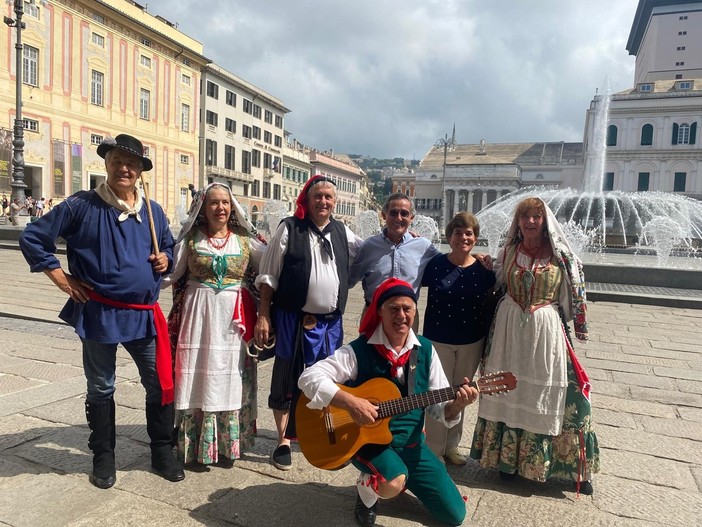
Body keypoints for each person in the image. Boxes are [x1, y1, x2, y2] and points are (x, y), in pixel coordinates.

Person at [19, 133, 184, 489]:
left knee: (158, 383)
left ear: (140, 170)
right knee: (101, 386)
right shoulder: (81, 205)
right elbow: (32, 237)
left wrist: (165, 258)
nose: (124, 168)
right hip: (100, 313)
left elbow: (169, 247)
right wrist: (62, 280)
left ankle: (161, 450)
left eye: (132, 163)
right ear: (106, 164)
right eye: (118, 161)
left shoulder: (153, 212)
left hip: (143, 314)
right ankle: (103, 457)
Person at [298, 278, 479, 527]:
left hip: (412, 445)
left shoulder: (425, 350)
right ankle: (368, 489)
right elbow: (309, 377)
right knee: (393, 481)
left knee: (454, 515)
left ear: (416, 311)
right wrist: (350, 402)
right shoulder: (359, 350)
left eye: (408, 309)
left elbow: (438, 408)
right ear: (380, 311)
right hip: (368, 444)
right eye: (393, 308)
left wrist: (457, 406)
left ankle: (396, 477)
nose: (401, 315)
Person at [469, 196, 599, 495]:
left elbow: (573, 293)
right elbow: (497, 279)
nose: (529, 221)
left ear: (545, 222)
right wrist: (482, 260)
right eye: (525, 216)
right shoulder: (509, 251)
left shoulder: (561, 257)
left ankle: (568, 468)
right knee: (508, 386)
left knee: (555, 392)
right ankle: (507, 463)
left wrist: (572, 322)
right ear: (518, 222)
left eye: (535, 217)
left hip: (546, 332)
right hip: (508, 332)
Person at [254, 175, 363, 470]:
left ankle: (321, 431)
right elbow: (268, 275)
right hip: (293, 318)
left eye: (328, 197)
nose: (323, 202)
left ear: (335, 202)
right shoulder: (289, 228)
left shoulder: (342, 231)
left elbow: (367, 255)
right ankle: (283, 441)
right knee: (286, 377)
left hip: (329, 324)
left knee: (329, 379)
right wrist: (264, 314)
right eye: (318, 196)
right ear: (307, 198)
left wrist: (406, 242)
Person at [162, 183, 266, 467]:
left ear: (232, 208)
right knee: (198, 373)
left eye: (225, 203)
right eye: (214, 203)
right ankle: (195, 443)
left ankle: (226, 443)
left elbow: (271, 269)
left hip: (233, 320)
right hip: (198, 314)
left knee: (230, 374)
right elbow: (170, 275)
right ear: (202, 208)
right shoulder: (191, 240)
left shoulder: (245, 241)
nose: (220, 208)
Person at [422, 212, 496, 465]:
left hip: (471, 340)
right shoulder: (435, 265)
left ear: (475, 238)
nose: (463, 237)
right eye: (458, 232)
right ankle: (432, 448)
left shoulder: (484, 271)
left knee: (462, 392)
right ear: (449, 236)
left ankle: (452, 445)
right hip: (438, 339)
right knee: (437, 393)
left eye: (468, 233)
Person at [349, 193, 440, 314]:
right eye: (393, 213)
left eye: (404, 213)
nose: (398, 218)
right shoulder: (369, 246)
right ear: (383, 215)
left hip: (407, 316)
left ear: (411, 217)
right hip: (374, 314)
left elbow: (448, 263)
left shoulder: (424, 246)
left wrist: (473, 258)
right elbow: (349, 279)